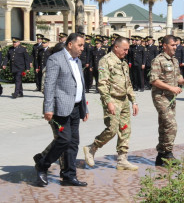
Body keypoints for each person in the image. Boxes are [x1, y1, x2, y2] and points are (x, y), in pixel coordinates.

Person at [34, 33, 89, 187]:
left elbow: (80, 85)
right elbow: (49, 86)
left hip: (76, 107)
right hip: (60, 109)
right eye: (80, 45)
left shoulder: (77, 61)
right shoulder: (55, 59)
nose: (82, 48)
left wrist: (85, 107)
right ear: (70, 44)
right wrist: (48, 108)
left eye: (83, 45)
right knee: (64, 140)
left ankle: (68, 176)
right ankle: (42, 165)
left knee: (73, 143)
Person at [83, 36, 139, 171]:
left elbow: (128, 83)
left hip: (124, 100)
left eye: (128, 50)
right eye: (124, 49)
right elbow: (102, 84)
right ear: (116, 47)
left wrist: (134, 101)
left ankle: (122, 160)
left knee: (125, 130)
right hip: (112, 100)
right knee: (112, 129)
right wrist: (108, 102)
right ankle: (92, 148)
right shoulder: (106, 61)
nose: (126, 52)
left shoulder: (123, 63)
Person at [150, 35, 184, 166]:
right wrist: (171, 88)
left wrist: (183, 81)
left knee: (164, 126)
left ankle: (161, 155)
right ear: (165, 46)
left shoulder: (174, 60)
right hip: (161, 96)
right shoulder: (158, 60)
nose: (175, 47)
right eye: (173, 45)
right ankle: (168, 153)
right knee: (171, 124)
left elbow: (177, 76)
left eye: (176, 45)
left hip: (170, 98)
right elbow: (154, 80)